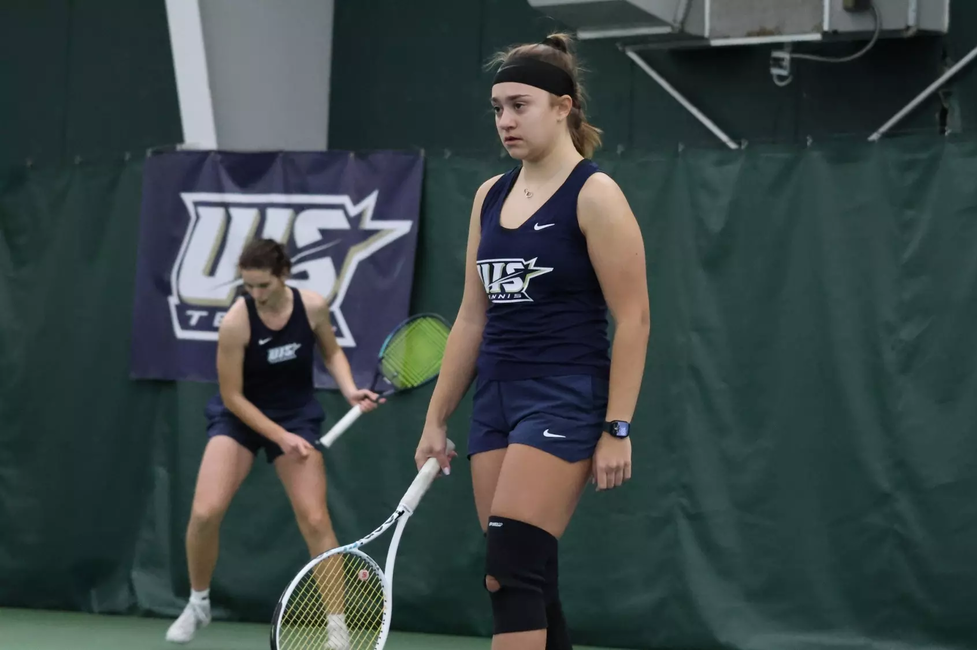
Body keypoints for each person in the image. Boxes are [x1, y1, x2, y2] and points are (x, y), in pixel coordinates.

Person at [414, 33, 650, 650]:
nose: (506, 121)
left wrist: (617, 427)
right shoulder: (488, 196)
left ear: (562, 107)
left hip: (564, 397)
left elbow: (634, 320)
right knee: (527, 578)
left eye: (520, 105)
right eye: (498, 108)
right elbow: (472, 317)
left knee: (510, 571)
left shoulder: (595, 194)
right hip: (495, 400)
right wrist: (436, 419)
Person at [166, 238, 384, 646]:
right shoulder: (236, 322)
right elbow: (232, 396)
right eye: (248, 286)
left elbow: (332, 352)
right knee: (205, 513)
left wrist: (350, 389)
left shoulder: (312, 306)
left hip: (296, 415)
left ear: (284, 275)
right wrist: (280, 436)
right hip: (241, 418)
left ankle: (337, 627)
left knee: (316, 520)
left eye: (263, 285)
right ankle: (198, 602)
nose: (256, 294)